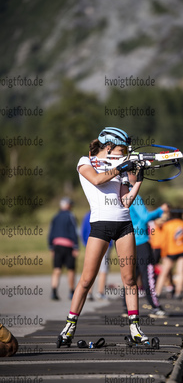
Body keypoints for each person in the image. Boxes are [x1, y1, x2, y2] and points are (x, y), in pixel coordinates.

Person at [58, 127, 149, 346]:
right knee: (87, 279)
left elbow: (126, 201)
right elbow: (97, 180)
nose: (123, 154)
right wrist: (121, 168)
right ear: (108, 147)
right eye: (120, 150)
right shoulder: (85, 161)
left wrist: (137, 180)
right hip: (99, 226)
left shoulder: (120, 165)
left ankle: (135, 328)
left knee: (129, 279)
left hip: (124, 224)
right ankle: (69, 327)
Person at [126, 172, 169, 317]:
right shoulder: (135, 196)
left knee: (131, 276)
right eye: (133, 173)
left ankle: (126, 309)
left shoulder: (122, 196)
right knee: (148, 275)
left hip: (128, 242)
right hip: (141, 242)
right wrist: (160, 211)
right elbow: (145, 218)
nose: (136, 175)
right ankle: (155, 307)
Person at [155, 211, 183, 299]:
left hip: (170, 251)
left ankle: (157, 292)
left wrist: (163, 254)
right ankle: (178, 293)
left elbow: (163, 241)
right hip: (182, 250)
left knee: (164, 273)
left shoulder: (167, 225)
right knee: (181, 272)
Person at [48, 197, 79, 300]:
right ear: (67, 205)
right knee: (71, 269)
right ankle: (71, 292)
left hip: (56, 245)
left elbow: (51, 232)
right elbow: (74, 231)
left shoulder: (55, 216)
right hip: (68, 246)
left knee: (57, 269)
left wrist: (51, 247)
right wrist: (76, 246)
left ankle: (54, 291)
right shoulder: (70, 216)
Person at [81, 211, 113, 300]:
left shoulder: (87, 215)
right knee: (103, 269)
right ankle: (100, 292)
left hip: (91, 244)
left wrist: (85, 243)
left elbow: (83, 231)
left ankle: (89, 292)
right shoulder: (106, 213)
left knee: (91, 268)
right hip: (105, 243)